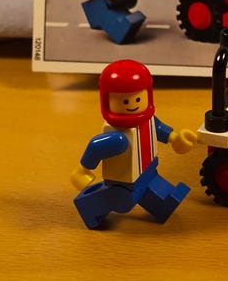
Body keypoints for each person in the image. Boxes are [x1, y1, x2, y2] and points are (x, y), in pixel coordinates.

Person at [70, 59, 197, 229]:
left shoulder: (149, 121)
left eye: (138, 99)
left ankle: (163, 205)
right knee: (122, 199)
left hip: (148, 171)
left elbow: (159, 129)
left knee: (156, 192)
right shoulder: (118, 137)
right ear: (107, 100)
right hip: (123, 183)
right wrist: (82, 170)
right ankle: (89, 209)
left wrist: (175, 138)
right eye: (125, 101)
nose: (133, 104)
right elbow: (95, 146)